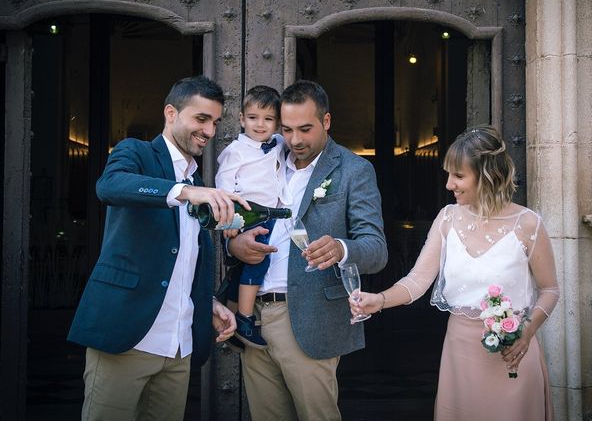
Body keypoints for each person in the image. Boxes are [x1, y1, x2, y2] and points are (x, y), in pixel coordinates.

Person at [68, 75, 246, 421]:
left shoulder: (198, 182)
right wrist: (183, 192)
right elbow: (110, 186)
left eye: (214, 122)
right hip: (127, 337)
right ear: (170, 113)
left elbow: (181, 259)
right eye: (201, 118)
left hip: (178, 345)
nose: (209, 131)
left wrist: (205, 301)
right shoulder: (136, 152)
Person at [351, 125, 560, 421]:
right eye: (449, 174)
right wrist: (380, 300)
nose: (449, 185)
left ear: (488, 175)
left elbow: (550, 289)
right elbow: (417, 280)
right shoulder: (447, 218)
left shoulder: (528, 224)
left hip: (512, 353)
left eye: (459, 176)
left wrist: (527, 331)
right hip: (460, 354)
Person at [227, 80, 388, 420]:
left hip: (310, 319)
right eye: (286, 129)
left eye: (305, 129)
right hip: (251, 314)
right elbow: (234, 216)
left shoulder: (353, 170)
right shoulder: (263, 160)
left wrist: (341, 248)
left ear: (326, 121)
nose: (295, 140)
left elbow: (376, 249)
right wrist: (233, 243)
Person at [215, 85, 289, 349]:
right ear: (242, 118)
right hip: (247, 214)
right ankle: (245, 319)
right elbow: (223, 186)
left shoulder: (279, 143)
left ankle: (232, 323)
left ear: (278, 124)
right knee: (258, 262)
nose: (260, 125)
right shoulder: (236, 150)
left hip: (269, 213)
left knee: (239, 272)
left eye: (268, 119)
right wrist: (230, 221)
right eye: (254, 118)